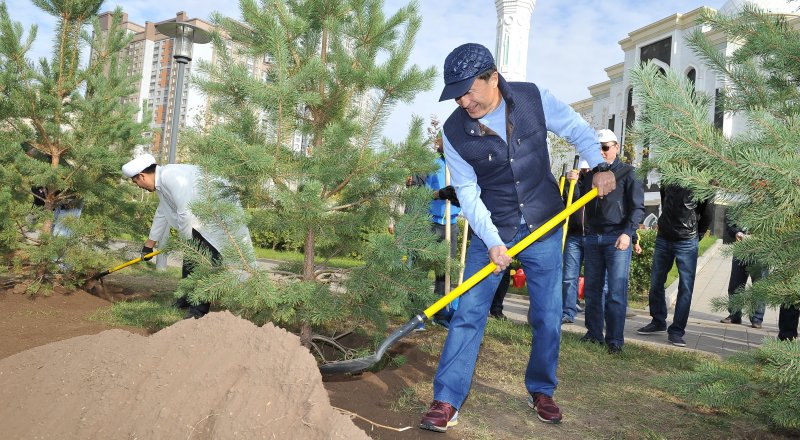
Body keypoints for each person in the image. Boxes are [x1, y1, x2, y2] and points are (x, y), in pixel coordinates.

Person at [419, 43, 614, 432]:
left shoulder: (532, 98)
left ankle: (541, 389)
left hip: (544, 222)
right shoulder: (454, 132)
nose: (463, 101)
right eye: (456, 94)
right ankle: (447, 399)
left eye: (468, 90)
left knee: (547, 314)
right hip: (494, 228)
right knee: (469, 313)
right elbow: (469, 193)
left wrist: (598, 165)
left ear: (492, 78)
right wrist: (492, 241)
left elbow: (577, 129)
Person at [122, 154, 255, 319]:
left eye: (136, 182)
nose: (138, 186)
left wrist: (187, 243)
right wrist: (149, 245)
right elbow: (162, 213)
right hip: (200, 220)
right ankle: (185, 297)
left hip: (217, 218)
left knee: (202, 263)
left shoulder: (171, 177)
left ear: (142, 176)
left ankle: (198, 310)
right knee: (190, 260)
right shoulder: (162, 183)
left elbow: (185, 213)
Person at [579, 129, 644, 354]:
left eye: (606, 147)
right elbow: (578, 205)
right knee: (592, 290)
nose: (602, 152)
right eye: (598, 148)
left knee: (616, 292)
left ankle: (614, 340)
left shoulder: (628, 173)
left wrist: (628, 233)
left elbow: (637, 208)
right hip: (593, 236)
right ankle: (593, 333)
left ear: (616, 147)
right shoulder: (589, 175)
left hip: (616, 237)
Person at [636, 184, 713, 346]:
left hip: (687, 240)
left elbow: (707, 213)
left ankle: (677, 331)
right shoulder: (668, 177)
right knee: (656, 281)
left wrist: (697, 235)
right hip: (664, 237)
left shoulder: (701, 182)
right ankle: (658, 321)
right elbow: (665, 201)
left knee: (685, 287)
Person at [407, 136, 462, 327]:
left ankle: (440, 314)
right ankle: (416, 316)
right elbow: (418, 193)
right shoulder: (430, 163)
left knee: (444, 272)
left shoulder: (461, 164)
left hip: (451, 225)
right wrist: (439, 194)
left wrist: (460, 198)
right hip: (430, 223)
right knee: (420, 271)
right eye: (442, 142)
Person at [719, 215, 765, 328]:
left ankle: (757, 318)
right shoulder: (741, 205)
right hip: (740, 249)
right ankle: (734, 315)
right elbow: (730, 224)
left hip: (761, 251)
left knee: (759, 285)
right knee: (735, 284)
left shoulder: (771, 203)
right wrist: (736, 233)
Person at [561, 160, 591, 324]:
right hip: (574, 235)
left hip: (593, 235)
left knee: (594, 278)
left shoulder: (598, 179)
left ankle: (595, 315)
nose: (585, 171)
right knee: (569, 277)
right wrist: (569, 182)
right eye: (583, 169)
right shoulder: (573, 182)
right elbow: (570, 201)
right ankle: (568, 311)